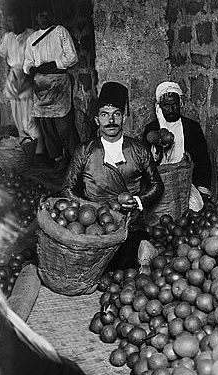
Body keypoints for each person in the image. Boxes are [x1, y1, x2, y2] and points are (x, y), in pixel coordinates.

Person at [62, 81, 164, 270]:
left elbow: (157, 185)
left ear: (123, 118)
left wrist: (138, 201)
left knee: (127, 259)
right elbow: (68, 188)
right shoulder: (84, 151)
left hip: (129, 222)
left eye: (116, 114)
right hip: (94, 223)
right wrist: (91, 208)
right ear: (96, 120)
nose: (111, 120)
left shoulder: (139, 149)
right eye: (104, 115)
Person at [23, 3, 80, 173]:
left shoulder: (60, 31)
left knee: (65, 125)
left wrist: (54, 64)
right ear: (36, 17)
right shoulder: (32, 38)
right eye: (41, 15)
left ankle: (78, 160)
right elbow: (27, 62)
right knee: (46, 126)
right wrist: (32, 69)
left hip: (58, 82)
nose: (45, 18)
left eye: (48, 15)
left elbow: (72, 57)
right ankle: (59, 159)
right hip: (40, 86)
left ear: (52, 17)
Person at [143, 81, 213, 212]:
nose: (171, 110)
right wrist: (156, 151)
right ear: (159, 107)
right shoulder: (152, 129)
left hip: (185, 183)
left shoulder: (192, 128)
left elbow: (203, 162)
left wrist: (203, 191)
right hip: (160, 183)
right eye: (166, 105)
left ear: (181, 104)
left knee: (194, 210)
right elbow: (145, 164)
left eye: (174, 105)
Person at [0, 13, 43, 155]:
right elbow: (3, 55)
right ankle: (26, 146)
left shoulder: (31, 35)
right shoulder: (8, 37)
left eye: (17, 20)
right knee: (17, 113)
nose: (14, 24)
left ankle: (38, 148)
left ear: (23, 20)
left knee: (30, 115)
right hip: (14, 76)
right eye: (11, 21)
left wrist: (31, 75)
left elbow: (38, 58)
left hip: (28, 75)